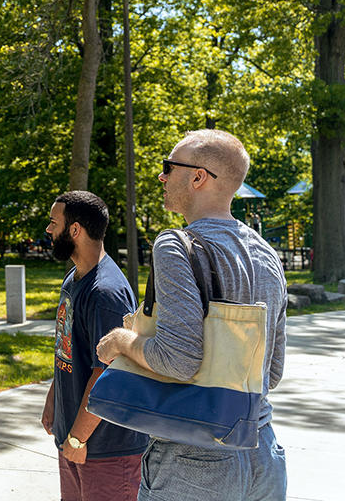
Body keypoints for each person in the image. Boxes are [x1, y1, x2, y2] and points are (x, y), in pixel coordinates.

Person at [96, 129, 287, 500]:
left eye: (169, 167)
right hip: (262, 452)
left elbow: (179, 360)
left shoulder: (175, 245)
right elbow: (272, 371)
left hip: (194, 458)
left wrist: (120, 340)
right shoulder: (267, 255)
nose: (162, 177)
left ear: (198, 177)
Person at [42, 190, 148, 501]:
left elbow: (110, 372)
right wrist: (54, 400)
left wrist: (78, 438)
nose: (48, 230)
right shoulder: (74, 278)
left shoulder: (106, 293)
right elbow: (70, 349)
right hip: (74, 440)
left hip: (105, 448)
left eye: (53, 223)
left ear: (74, 230)